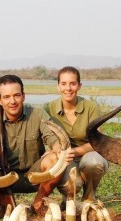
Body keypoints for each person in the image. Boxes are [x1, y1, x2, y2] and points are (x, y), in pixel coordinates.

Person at [0, 74, 71, 216]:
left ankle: (38, 202)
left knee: (55, 159)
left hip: (34, 175)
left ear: (23, 96)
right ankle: (4, 200)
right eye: (7, 97)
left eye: (16, 95)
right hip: (3, 178)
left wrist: (59, 150)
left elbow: (54, 141)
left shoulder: (38, 114)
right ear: (0, 100)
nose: (12, 101)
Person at [43, 66, 109, 206]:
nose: (68, 88)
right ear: (58, 86)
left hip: (90, 153)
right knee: (73, 184)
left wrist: (74, 152)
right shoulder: (48, 108)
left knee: (94, 163)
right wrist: (56, 152)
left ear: (79, 86)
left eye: (73, 83)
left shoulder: (91, 107)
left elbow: (98, 141)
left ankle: (89, 198)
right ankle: (67, 198)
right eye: (64, 84)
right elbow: (46, 137)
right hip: (64, 157)